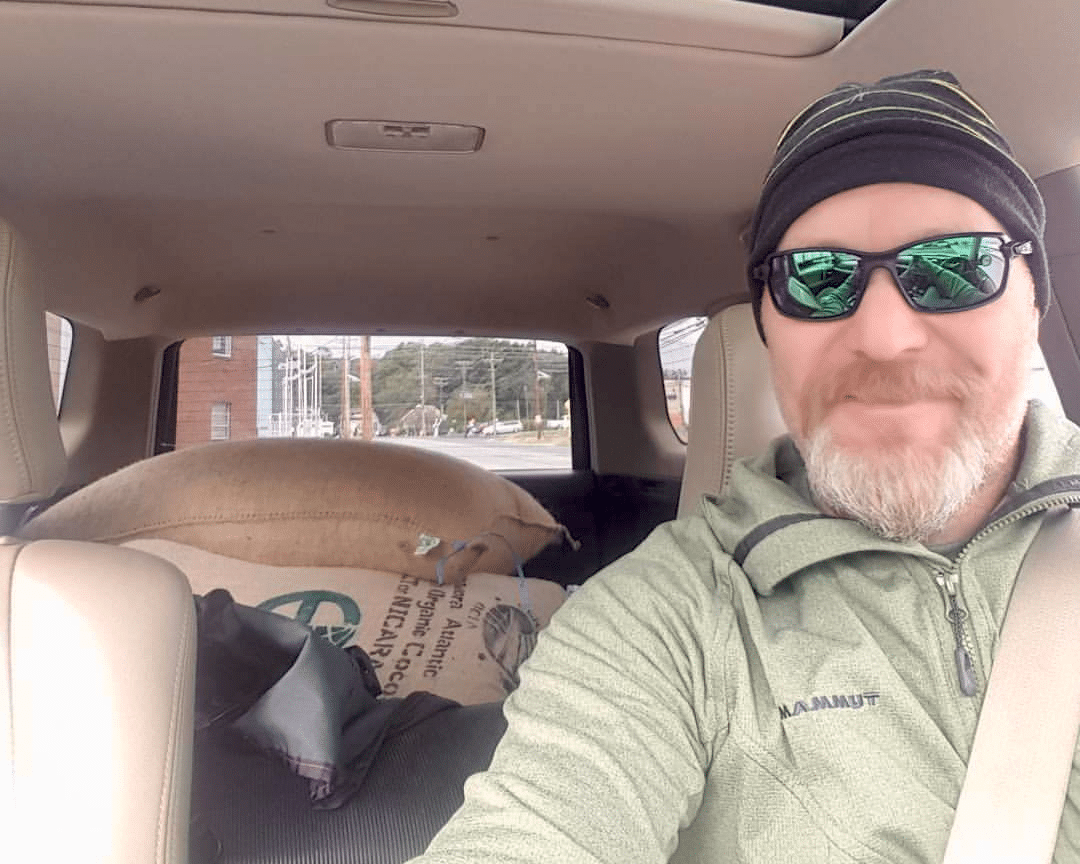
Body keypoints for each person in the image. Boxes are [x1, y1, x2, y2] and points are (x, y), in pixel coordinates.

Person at [407, 70, 1080, 862]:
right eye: (819, 280)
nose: (887, 335)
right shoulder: (669, 615)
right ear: (767, 325)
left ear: (1034, 297)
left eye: (956, 266)